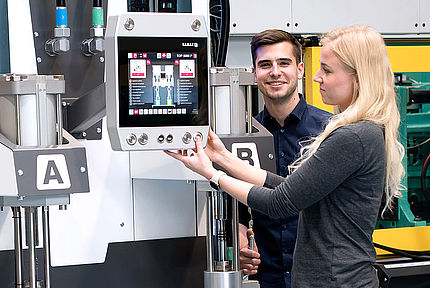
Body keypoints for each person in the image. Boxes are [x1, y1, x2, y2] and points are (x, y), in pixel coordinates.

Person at [166, 25, 405, 287]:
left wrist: (212, 174)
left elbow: (280, 202)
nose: (317, 77)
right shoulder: (362, 132)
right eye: (265, 64)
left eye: (326, 69)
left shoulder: (350, 136)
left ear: (357, 77)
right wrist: (222, 156)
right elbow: (292, 190)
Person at [238, 29, 331, 288]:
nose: (275, 72)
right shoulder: (245, 134)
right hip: (268, 278)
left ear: (300, 69)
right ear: (255, 72)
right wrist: (240, 238)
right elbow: (237, 205)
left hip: (320, 276)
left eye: (284, 63)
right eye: (265, 64)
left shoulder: (329, 131)